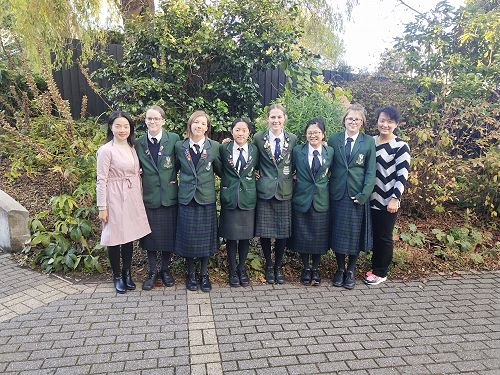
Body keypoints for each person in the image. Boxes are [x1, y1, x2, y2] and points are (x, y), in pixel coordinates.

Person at [96, 111, 151, 294]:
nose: (122, 129)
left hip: (132, 196)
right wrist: (102, 206)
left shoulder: (132, 147)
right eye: (118, 125)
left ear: (130, 128)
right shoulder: (106, 150)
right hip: (114, 196)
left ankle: (127, 273)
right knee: (114, 237)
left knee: (128, 236)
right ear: (111, 127)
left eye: (126, 126)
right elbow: (101, 180)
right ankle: (117, 276)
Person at [328, 104, 376, 289]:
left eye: (357, 119)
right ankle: (340, 269)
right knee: (339, 234)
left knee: (355, 235)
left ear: (362, 122)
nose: (353, 122)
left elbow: (371, 171)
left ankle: (351, 271)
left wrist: (365, 194)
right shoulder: (334, 139)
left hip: (357, 195)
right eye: (350, 119)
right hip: (337, 193)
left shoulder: (368, 142)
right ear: (344, 121)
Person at [174, 110, 222, 292]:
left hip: (205, 198)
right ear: (190, 124)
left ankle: (204, 274)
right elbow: (173, 169)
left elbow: (221, 171)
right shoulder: (180, 146)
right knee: (189, 238)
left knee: (205, 240)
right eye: (196, 122)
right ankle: (190, 274)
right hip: (186, 198)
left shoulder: (214, 147)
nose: (199, 126)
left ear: (207, 127)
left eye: (203, 123)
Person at [364, 106, 411, 285]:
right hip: (369, 198)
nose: (385, 124)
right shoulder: (370, 141)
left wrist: (395, 198)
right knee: (374, 235)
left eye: (390, 122)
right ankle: (375, 266)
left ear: (396, 124)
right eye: (382, 120)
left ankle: (380, 272)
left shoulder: (400, 146)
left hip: (387, 200)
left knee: (384, 236)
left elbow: (402, 175)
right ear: (377, 121)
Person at [135, 105, 180, 290]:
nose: (152, 122)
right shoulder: (139, 142)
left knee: (168, 236)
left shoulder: (174, 139)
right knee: (150, 237)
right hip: (149, 196)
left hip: (169, 195)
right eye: (149, 119)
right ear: (145, 121)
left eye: (156, 118)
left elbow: (180, 163)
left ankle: (165, 270)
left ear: (163, 120)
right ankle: (152, 271)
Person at [253, 104, 297, 284]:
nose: (276, 121)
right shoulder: (258, 138)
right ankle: (268, 265)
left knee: (282, 233)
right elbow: (252, 159)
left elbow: (296, 161)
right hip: (265, 190)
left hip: (285, 190)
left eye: (279, 117)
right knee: (265, 232)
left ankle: (278, 266)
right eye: (272, 117)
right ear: (267, 119)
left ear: (284, 118)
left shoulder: (292, 139)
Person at [290, 118, 334, 286]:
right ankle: (306, 268)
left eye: (316, 132)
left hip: (321, 199)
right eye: (310, 132)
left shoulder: (330, 151)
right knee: (303, 236)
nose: (313, 135)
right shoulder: (297, 151)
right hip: (302, 198)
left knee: (319, 237)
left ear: (323, 134)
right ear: (306, 134)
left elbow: (333, 173)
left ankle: (316, 268)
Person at [219, 118, 259, 287]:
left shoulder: (255, 150)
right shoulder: (223, 148)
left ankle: (242, 269)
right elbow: (218, 167)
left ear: (249, 132)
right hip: (230, 197)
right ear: (232, 131)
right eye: (237, 130)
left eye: (244, 130)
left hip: (248, 198)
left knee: (245, 237)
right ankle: (233, 270)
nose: (240, 133)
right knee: (231, 237)